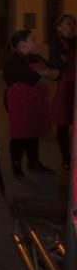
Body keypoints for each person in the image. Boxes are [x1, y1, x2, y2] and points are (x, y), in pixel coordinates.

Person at [3, 30, 59, 177]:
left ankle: (34, 162)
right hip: (19, 101)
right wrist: (44, 74)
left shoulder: (35, 57)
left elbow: (56, 72)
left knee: (33, 131)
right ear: (22, 44)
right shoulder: (12, 60)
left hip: (36, 100)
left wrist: (45, 74)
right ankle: (16, 165)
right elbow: (30, 77)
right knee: (20, 133)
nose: (36, 42)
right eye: (32, 40)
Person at [49, 14, 76, 169]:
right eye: (68, 23)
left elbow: (67, 59)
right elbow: (58, 62)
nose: (71, 26)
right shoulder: (56, 42)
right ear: (59, 27)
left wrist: (68, 59)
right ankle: (66, 158)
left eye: (73, 23)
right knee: (63, 122)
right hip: (65, 84)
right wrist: (67, 60)